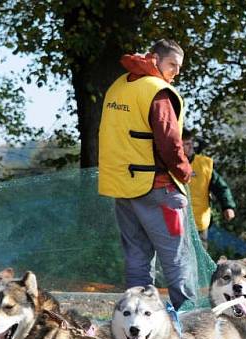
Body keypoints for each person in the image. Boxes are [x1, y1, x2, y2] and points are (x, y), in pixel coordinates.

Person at [98, 39, 196, 310]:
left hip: (123, 189)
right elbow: (169, 142)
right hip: (159, 190)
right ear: (155, 59)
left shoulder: (119, 86)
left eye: (179, 67)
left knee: (137, 258)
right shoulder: (157, 91)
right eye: (172, 65)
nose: (176, 72)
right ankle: (190, 326)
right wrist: (185, 171)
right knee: (177, 259)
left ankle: (136, 318)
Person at [182, 128, 236, 248]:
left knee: (200, 261)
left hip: (199, 223)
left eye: (191, 143)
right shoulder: (169, 164)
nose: (191, 146)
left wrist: (228, 206)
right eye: (186, 144)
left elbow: (221, 187)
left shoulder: (204, 165)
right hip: (176, 224)